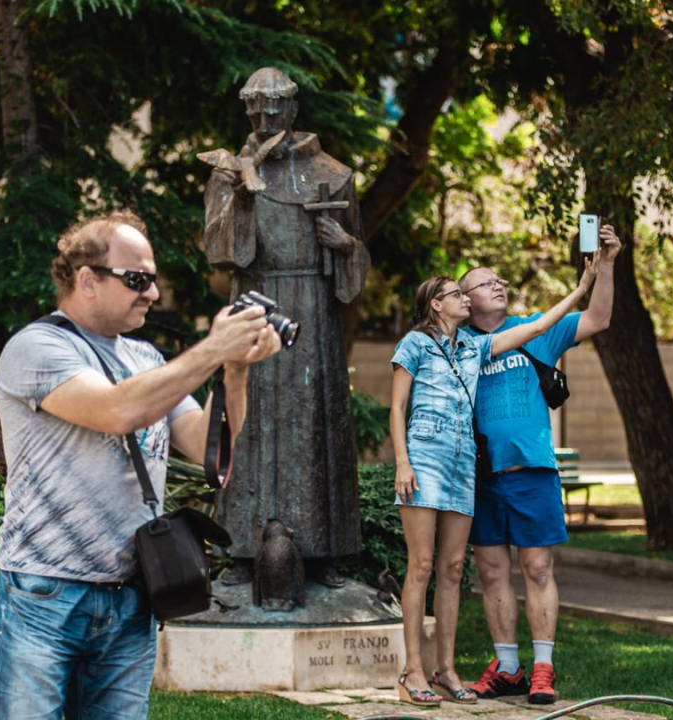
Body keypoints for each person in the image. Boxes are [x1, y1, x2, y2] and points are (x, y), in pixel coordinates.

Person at [0, 212, 281, 720]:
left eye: (153, 280)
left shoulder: (146, 359)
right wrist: (212, 348)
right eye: (137, 280)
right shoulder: (38, 348)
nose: (153, 294)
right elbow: (118, 410)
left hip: (132, 596)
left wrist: (235, 368)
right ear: (87, 280)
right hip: (46, 594)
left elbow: (203, 440)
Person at [388, 261, 598, 707]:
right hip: (425, 462)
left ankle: (447, 668)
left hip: (465, 468)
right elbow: (396, 407)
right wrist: (402, 462)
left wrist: (583, 287)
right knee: (423, 567)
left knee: (452, 569)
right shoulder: (415, 344)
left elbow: (541, 324)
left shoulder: (474, 349)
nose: (468, 298)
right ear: (436, 304)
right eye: (458, 293)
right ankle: (414, 670)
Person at [203, 67, 370, 586]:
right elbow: (219, 250)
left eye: (273, 107)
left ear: (293, 107)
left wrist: (344, 246)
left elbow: (356, 262)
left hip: (313, 315)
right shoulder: (230, 172)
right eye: (254, 108)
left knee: (314, 425)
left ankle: (321, 553)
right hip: (254, 305)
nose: (263, 118)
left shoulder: (334, 174)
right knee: (248, 421)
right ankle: (242, 551)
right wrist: (246, 198)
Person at [462, 223, 621, 705]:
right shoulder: (459, 344)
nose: (499, 285)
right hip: (482, 476)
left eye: (500, 280)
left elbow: (597, 319)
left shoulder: (535, 329)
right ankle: (507, 667)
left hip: (532, 470)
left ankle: (543, 669)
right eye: (487, 282)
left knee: (536, 567)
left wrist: (606, 267)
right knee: (491, 572)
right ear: (465, 300)